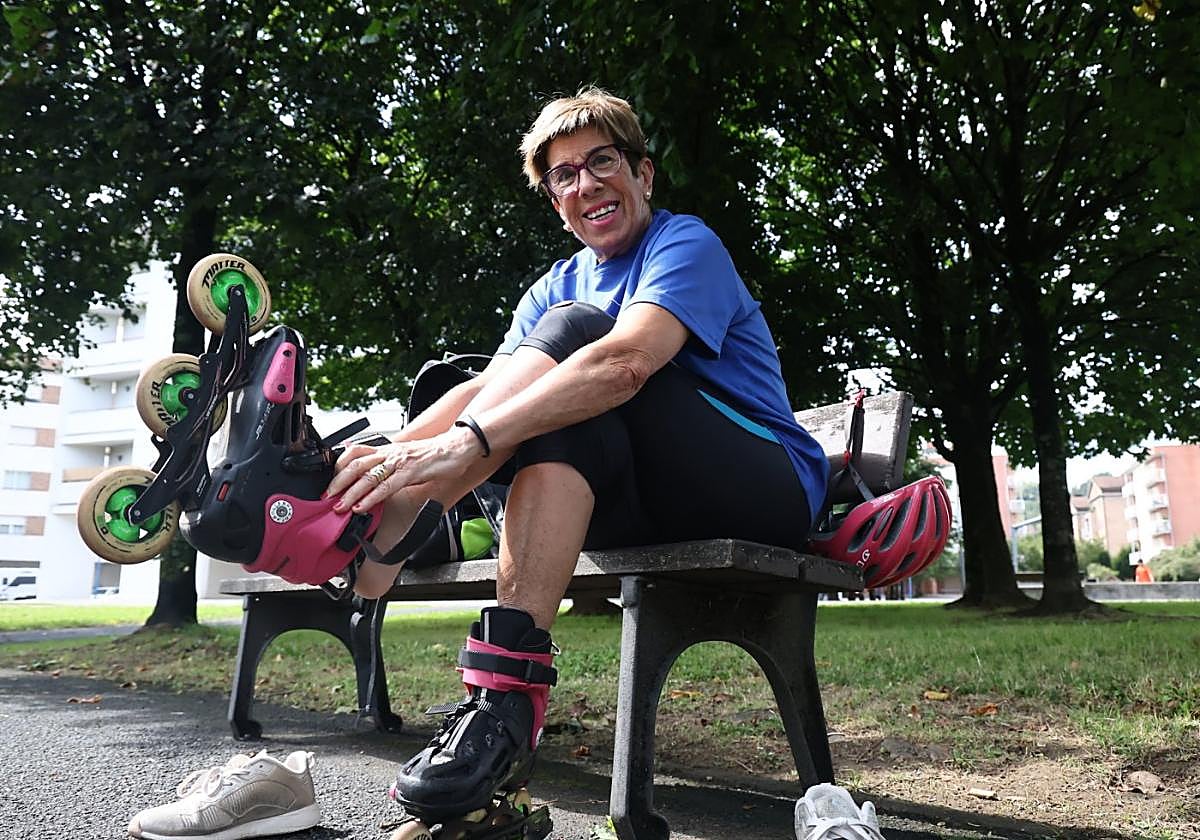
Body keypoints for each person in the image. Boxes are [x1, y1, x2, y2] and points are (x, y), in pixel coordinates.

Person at [323, 87, 830, 828]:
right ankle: (500, 711)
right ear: (554, 199)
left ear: (643, 175)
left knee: (576, 347)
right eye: (564, 175)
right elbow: (490, 389)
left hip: (761, 486)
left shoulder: (684, 244)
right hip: (640, 496)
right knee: (552, 410)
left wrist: (466, 444)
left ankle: (382, 542)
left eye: (601, 162)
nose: (585, 183)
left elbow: (625, 363)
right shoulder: (552, 284)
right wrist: (379, 463)